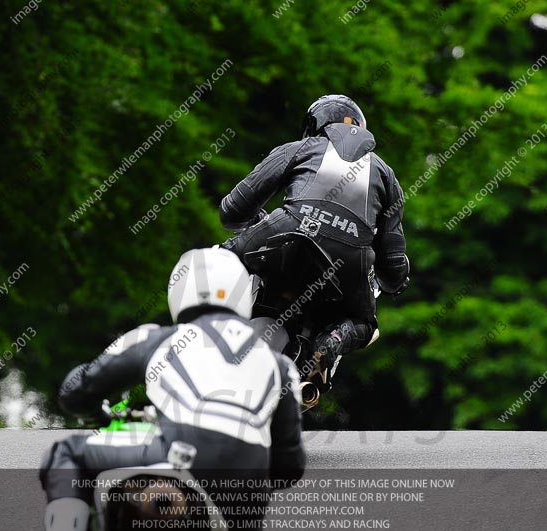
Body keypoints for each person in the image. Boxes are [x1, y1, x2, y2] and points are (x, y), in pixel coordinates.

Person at [39, 247, 306, 530]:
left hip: (178, 451)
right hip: (245, 490)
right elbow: (289, 468)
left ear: (178, 290)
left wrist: (95, 414)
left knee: (66, 453)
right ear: (244, 291)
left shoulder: (158, 337)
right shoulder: (280, 365)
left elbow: (75, 391)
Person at [219, 94, 410, 391]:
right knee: (364, 323)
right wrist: (396, 281)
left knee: (217, 262)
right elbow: (393, 265)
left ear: (314, 126)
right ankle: (331, 342)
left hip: (288, 226)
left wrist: (257, 221)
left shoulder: (299, 148)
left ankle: (201, 333)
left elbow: (232, 210)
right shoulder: (387, 175)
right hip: (351, 256)